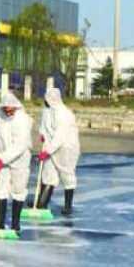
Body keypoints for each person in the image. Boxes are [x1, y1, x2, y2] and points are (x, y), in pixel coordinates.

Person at [0, 93, 32, 232]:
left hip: (20, 159)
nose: (8, 111)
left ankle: (15, 223)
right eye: (5, 109)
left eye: (11, 109)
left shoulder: (22, 120)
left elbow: (20, 146)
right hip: (1, 155)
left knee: (18, 189)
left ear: (16, 107)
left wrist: (2, 160)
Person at [36, 87, 80, 215]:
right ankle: (42, 202)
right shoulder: (47, 111)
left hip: (66, 148)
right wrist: (42, 135)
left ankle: (68, 205)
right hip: (51, 146)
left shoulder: (64, 114)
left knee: (67, 174)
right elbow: (44, 127)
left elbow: (60, 136)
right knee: (48, 173)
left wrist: (47, 151)